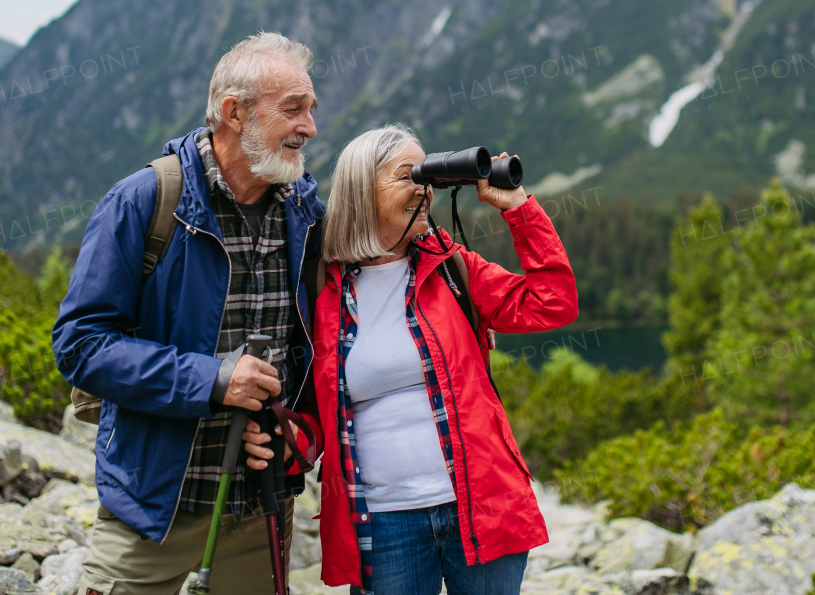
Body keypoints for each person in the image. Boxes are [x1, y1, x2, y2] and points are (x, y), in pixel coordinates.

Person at [245, 124, 577, 595]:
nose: (424, 189)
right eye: (408, 176)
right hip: (384, 522)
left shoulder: (452, 267)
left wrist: (519, 208)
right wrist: (293, 437)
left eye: (427, 175)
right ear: (363, 191)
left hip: (482, 505)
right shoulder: (321, 290)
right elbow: (318, 407)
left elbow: (553, 301)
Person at [52, 32, 325, 595]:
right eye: (293, 109)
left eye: (311, 110)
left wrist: (305, 433)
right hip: (151, 509)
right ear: (233, 112)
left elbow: (323, 342)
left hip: (262, 510)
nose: (310, 128)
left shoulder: (305, 212)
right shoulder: (145, 201)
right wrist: (213, 378)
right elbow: (80, 344)